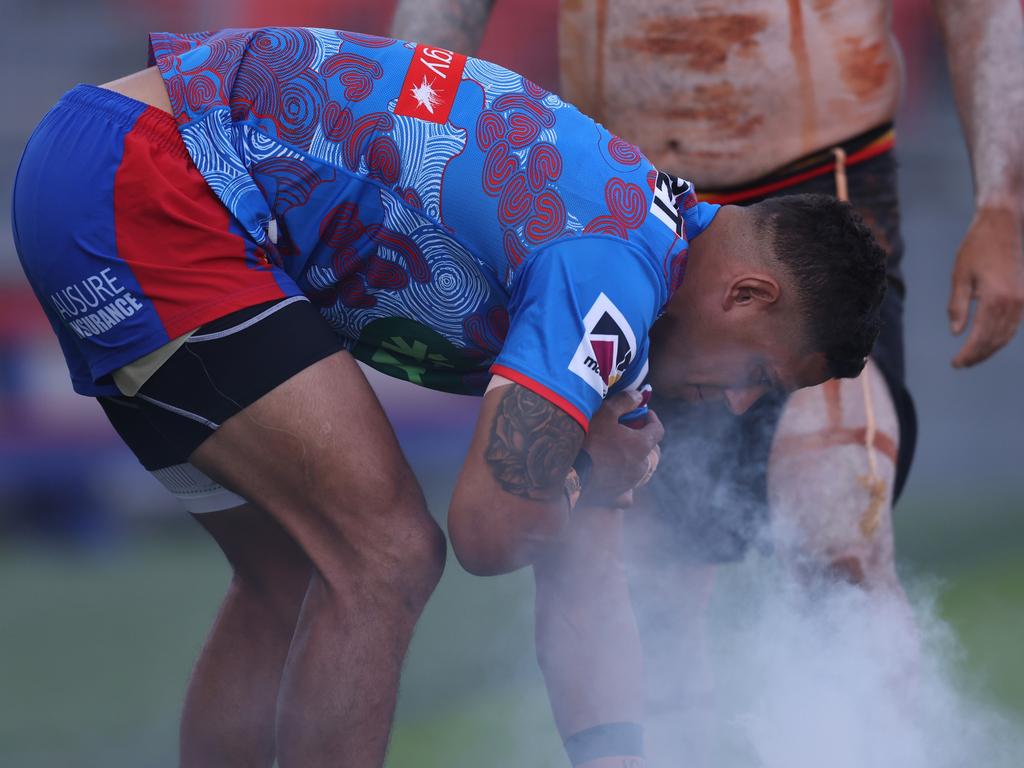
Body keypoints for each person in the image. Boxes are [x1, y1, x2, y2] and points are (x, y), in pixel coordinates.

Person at [12, 26, 887, 768]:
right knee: (387, 552)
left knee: (288, 569)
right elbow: (485, 529)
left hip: (111, 164)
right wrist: (584, 465)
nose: (734, 405)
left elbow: (583, 585)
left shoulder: (644, 261)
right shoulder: (614, 272)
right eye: (758, 379)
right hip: (151, 175)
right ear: (747, 296)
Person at [394, 0, 1024, 765]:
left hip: (820, 198)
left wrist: (1005, 200)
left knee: (838, 528)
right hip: (620, 218)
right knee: (645, 579)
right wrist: (408, 161)